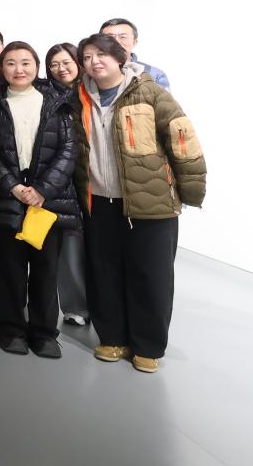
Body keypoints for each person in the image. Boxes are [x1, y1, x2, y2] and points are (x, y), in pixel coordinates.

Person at [70, 33, 206, 373]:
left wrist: (191, 192)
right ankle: (112, 337)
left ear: (120, 58)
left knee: (151, 275)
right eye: (87, 57)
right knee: (104, 272)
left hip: (152, 202)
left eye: (101, 54)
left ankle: (148, 346)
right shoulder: (78, 97)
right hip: (99, 202)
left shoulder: (149, 92)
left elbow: (182, 139)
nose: (94, 62)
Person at [0, 42, 78, 357]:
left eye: (25, 62)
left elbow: (68, 149)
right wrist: (12, 186)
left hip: (47, 199)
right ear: (1, 69)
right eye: (10, 63)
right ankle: (10, 329)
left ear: (36, 66)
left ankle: (44, 333)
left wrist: (43, 190)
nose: (18, 69)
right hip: (5, 197)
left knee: (46, 269)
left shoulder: (57, 102)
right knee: (8, 269)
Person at [46, 42, 89, 326]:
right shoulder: (46, 96)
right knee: (70, 245)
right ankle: (77, 306)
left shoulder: (92, 92)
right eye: (54, 64)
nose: (61, 69)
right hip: (63, 179)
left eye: (66, 62)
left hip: (94, 180)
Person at [100, 18, 170, 89]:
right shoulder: (94, 72)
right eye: (110, 37)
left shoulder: (154, 75)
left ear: (134, 42)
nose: (116, 42)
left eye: (123, 37)